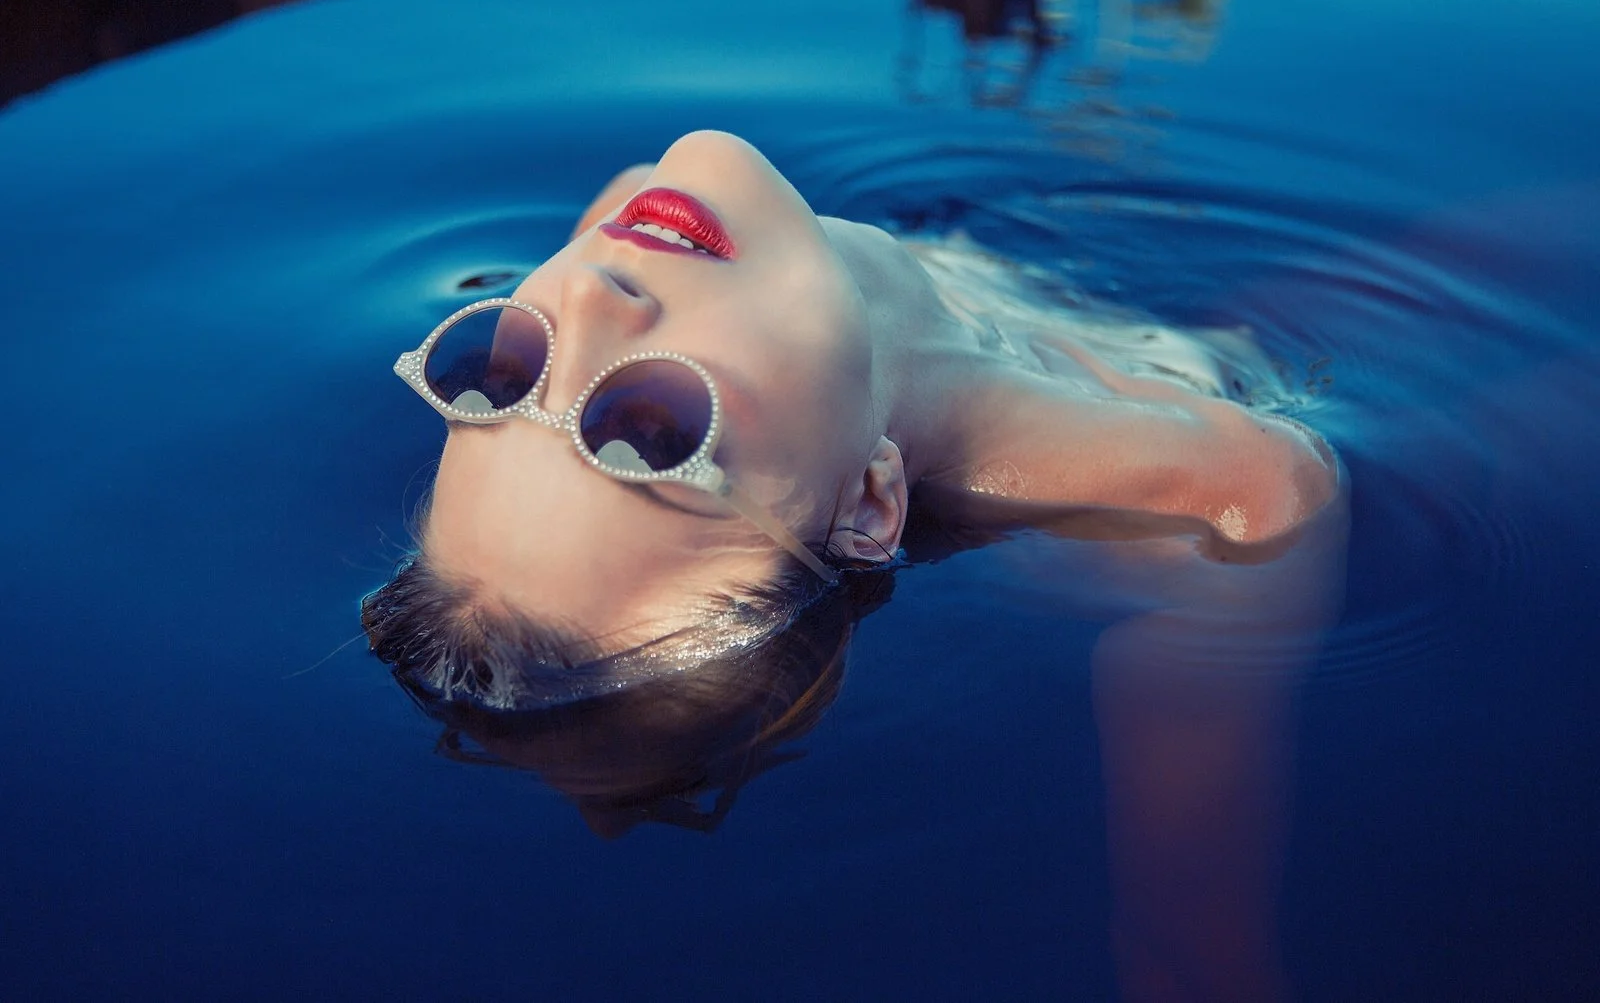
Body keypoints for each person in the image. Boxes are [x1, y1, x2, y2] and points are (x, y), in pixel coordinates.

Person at [365, 129, 1347, 1000]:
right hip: (1207, 353)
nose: (581, 292)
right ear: (871, 501)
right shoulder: (1101, 459)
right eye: (651, 430)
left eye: (506, 375)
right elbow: (1265, 492)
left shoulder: (646, 245)